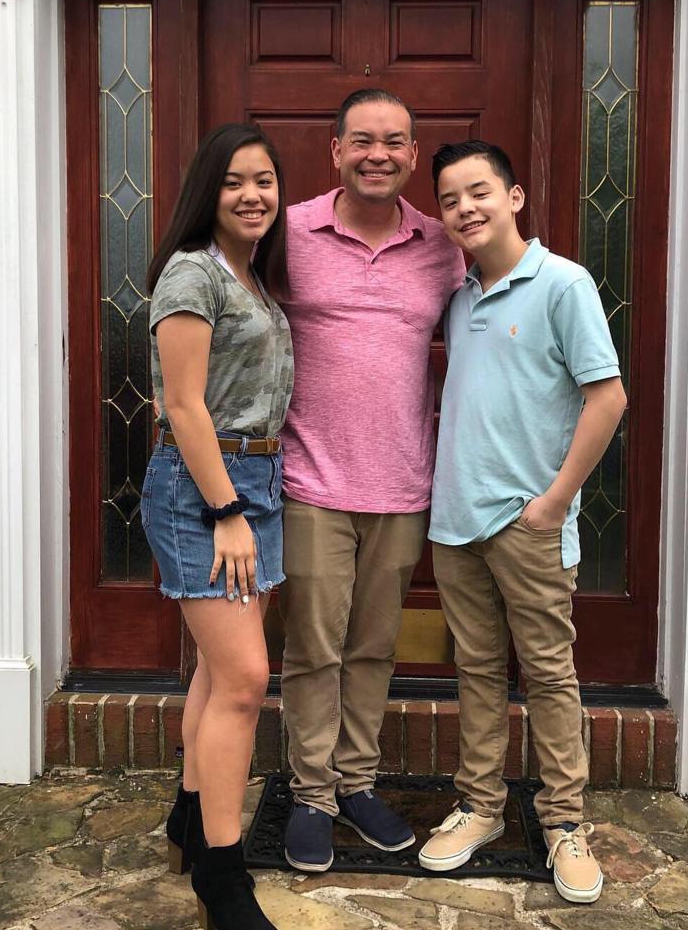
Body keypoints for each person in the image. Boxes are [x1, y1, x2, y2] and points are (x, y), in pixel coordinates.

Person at [420, 140, 626, 904]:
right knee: (476, 672)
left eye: (478, 191)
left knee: (547, 673)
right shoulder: (460, 294)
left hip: (528, 521)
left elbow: (607, 398)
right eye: (448, 199)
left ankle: (565, 823)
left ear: (514, 197)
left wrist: (555, 500)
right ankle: (481, 808)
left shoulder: (562, 283)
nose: (464, 208)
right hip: (456, 521)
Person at [280, 89, 465, 871]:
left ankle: (357, 784)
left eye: (393, 142)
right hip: (310, 477)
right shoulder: (286, 231)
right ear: (335, 151)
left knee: (373, 648)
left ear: (414, 156)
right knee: (314, 647)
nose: (377, 154)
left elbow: (497, 332)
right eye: (361, 140)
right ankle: (311, 796)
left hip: (402, 483)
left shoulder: (443, 245)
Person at [142, 123, 293, 930]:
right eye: (236, 181)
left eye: (265, 180)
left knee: (215, 669)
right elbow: (184, 405)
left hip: (258, 479)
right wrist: (227, 510)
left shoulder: (253, 277)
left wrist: (251, 499)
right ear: (210, 188)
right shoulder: (192, 273)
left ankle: (187, 824)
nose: (253, 194)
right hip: (206, 487)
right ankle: (223, 878)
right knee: (242, 682)